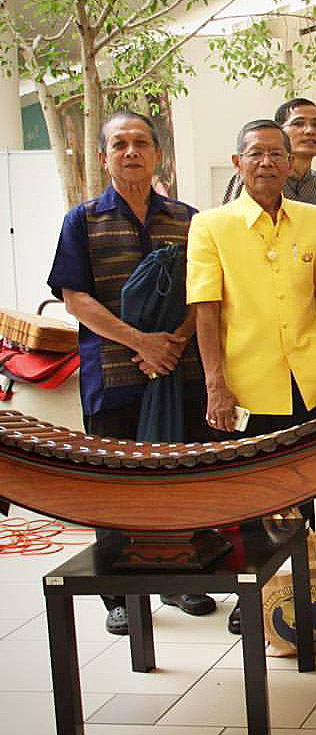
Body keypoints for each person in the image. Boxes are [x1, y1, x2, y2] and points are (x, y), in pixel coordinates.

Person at [47, 111, 215, 635]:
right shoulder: (83, 220)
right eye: (118, 144)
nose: (131, 152)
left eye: (141, 142)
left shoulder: (188, 220)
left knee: (179, 474)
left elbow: (204, 293)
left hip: (179, 370)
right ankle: (117, 594)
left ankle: (182, 576)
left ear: (158, 154)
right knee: (117, 482)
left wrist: (175, 341)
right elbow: (75, 297)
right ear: (103, 157)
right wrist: (141, 342)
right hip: (114, 373)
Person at [187, 119, 316, 634]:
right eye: (255, 154)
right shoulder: (211, 226)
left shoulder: (315, 218)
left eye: (277, 154)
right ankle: (253, 593)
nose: (267, 163)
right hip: (247, 382)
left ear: (291, 162)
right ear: (238, 164)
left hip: (308, 378)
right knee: (254, 492)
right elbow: (206, 311)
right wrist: (215, 385)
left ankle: (304, 588)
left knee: (305, 487)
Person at [222, 98, 316, 224]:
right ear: (280, 131)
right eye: (298, 123)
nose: (309, 131)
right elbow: (229, 224)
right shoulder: (254, 178)